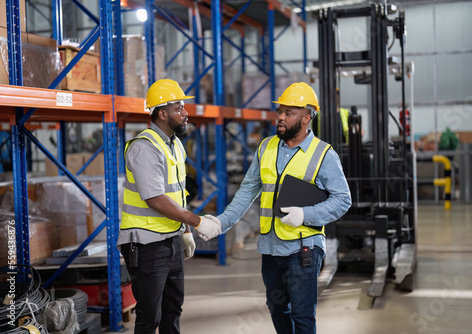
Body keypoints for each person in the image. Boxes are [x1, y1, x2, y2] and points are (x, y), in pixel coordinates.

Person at [203, 82, 352, 334]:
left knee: (303, 315)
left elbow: (342, 200)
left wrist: (306, 214)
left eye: (289, 113)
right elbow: (246, 193)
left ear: (306, 118)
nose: (280, 118)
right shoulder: (266, 147)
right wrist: (221, 222)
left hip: (304, 247)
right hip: (271, 247)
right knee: (276, 308)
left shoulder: (324, 154)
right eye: (280, 111)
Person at [117, 79, 221, 334]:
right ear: (162, 113)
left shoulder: (174, 144)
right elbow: (156, 199)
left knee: (173, 309)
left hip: (171, 239)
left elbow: (178, 195)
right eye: (179, 109)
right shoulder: (144, 147)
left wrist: (184, 232)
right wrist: (197, 222)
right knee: (150, 315)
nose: (186, 114)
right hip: (146, 244)